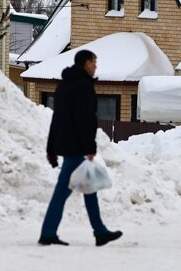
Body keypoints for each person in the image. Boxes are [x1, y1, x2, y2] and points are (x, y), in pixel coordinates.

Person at [38, 49, 123, 247]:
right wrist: (89, 146)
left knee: (88, 186)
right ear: (86, 63)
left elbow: (56, 119)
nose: (96, 66)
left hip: (67, 144)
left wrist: (51, 148)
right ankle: (48, 233)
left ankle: (99, 231)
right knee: (64, 190)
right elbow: (85, 119)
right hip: (75, 146)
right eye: (94, 62)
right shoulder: (83, 85)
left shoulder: (64, 85)